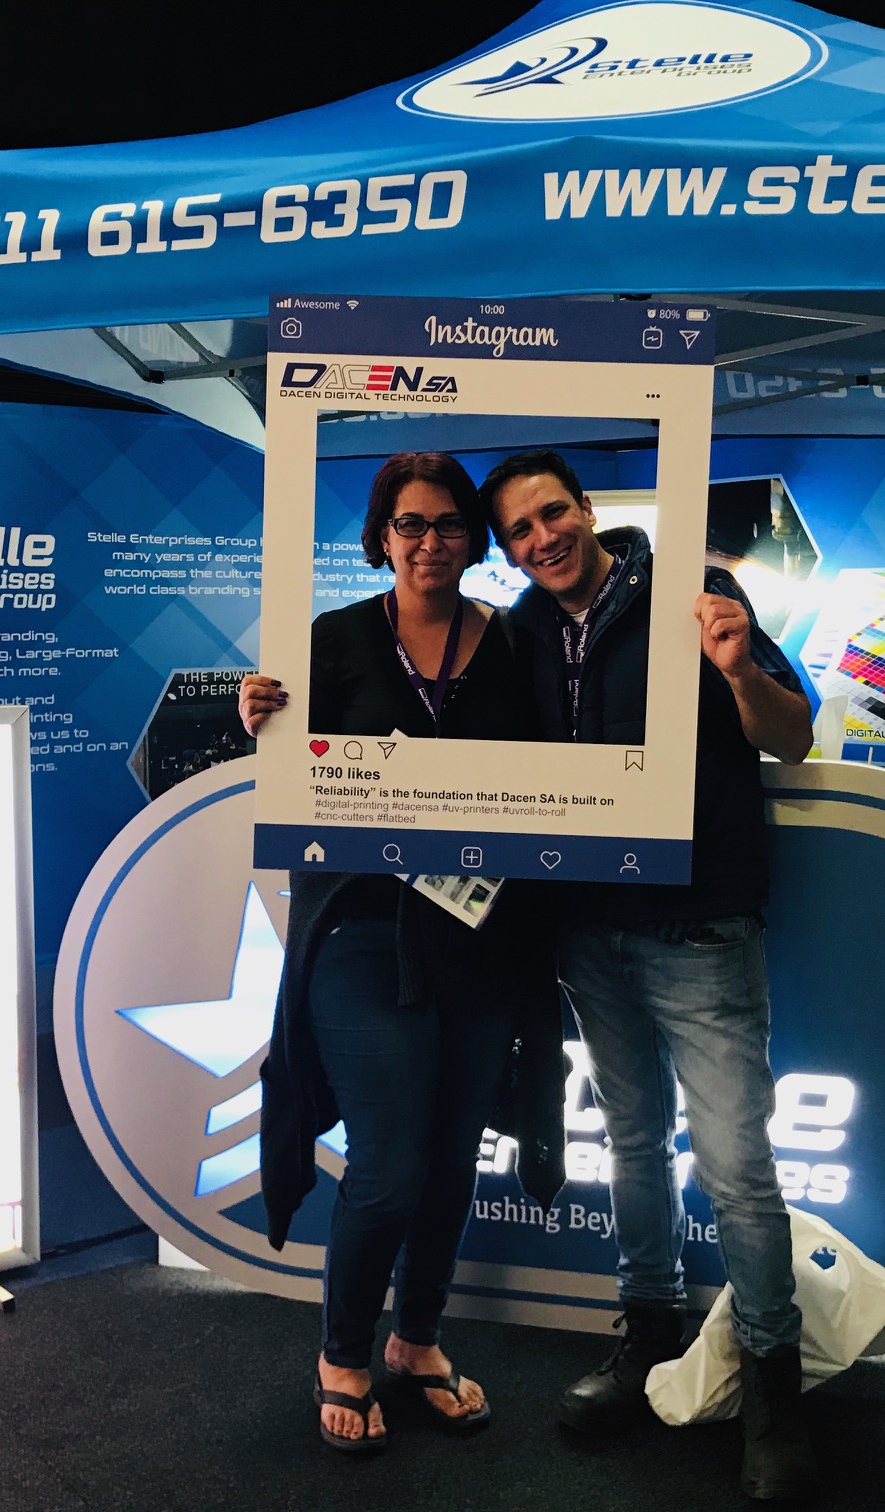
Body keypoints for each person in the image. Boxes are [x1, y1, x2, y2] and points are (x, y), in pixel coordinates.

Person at [481, 450, 817, 1503]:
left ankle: (772, 1387)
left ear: (587, 510)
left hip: (699, 924)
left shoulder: (695, 595)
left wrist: (737, 670)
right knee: (632, 1143)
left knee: (735, 1165)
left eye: (553, 513)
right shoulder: (520, 634)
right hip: (588, 931)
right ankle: (649, 1338)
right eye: (519, 531)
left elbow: (792, 736)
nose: (542, 538)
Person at [238, 451, 564, 1455]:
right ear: (382, 536)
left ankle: (416, 1339)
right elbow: (291, 772)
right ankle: (343, 1352)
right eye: (410, 524)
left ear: (473, 539)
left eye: (449, 524)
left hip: (478, 935)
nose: (430, 542)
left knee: (453, 1157)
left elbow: (555, 773)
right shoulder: (332, 641)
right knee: (388, 1163)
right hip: (362, 930)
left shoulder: (511, 643)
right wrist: (259, 723)